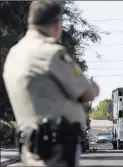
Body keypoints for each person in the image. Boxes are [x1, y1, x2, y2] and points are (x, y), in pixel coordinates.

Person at [3, 1, 99, 166]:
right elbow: (86, 92)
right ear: (57, 24)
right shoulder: (50, 53)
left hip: (30, 144)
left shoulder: (14, 54)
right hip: (55, 148)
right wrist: (92, 86)